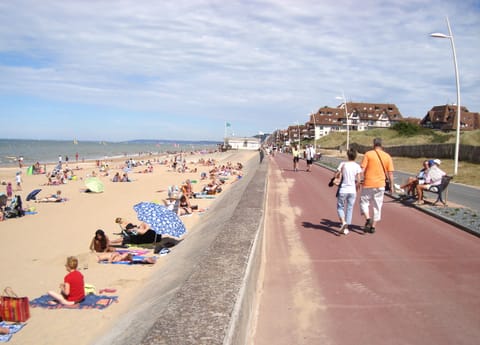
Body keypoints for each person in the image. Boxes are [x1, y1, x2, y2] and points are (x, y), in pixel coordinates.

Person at [360, 138, 394, 234]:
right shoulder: (387, 156)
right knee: (377, 206)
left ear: (373, 144)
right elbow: (390, 173)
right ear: (381, 145)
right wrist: (392, 186)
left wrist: (358, 180)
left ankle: (368, 219)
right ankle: (373, 227)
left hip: (368, 183)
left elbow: (362, 169)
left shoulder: (368, 154)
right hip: (380, 185)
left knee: (364, 202)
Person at [335, 148, 363, 235]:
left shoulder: (343, 164)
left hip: (343, 189)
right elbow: (359, 180)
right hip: (352, 190)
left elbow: (336, 175)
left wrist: (340, 172)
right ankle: (346, 228)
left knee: (340, 207)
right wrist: (357, 187)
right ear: (355, 156)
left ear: (347, 155)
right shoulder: (357, 166)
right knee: (350, 208)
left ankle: (343, 222)